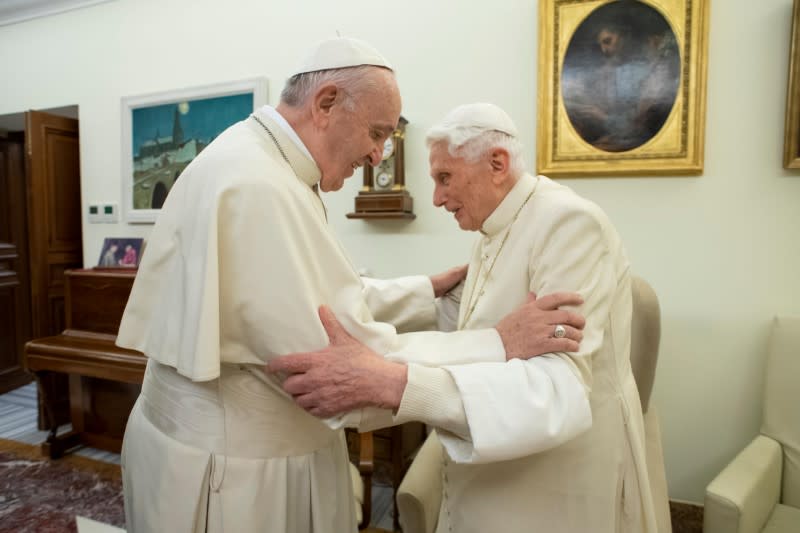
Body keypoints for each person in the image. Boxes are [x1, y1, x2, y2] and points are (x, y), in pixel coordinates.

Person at [115, 39, 585, 533]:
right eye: (377, 132)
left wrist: (425, 288)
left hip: (204, 453)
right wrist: (498, 344)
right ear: (326, 104)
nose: (379, 153)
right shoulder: (260, 187)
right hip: (239, 478)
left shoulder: (256, 160)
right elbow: (342, 371)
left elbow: (321, 299)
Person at [270, 103, 658, 532]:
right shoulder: (495, 224)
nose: (436, 197)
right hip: (493, 462)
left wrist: (393, 382)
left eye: (444, 178)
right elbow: (472, 320)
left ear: (497, 163)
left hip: (553, 479)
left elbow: (556, 386)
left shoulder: (570, 223)